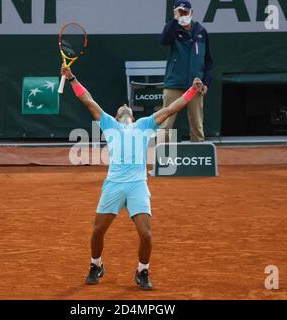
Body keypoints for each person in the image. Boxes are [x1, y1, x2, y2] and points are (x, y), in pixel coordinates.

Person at [61, 65, 203, 290]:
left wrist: (192, 92)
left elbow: (172, 108)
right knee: (98, 231)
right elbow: (88, 100)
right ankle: (96, 264)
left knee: (146, 234)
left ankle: (142, 271)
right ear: (118, 115)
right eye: (122, 107)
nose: (125, 106)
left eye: (128, 106)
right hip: (114, 185)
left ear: (132, 114)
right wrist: (71, 78)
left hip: (138, 185)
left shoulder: (145, 124)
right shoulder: (109, 123)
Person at [159, 0, 213, 142]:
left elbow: (208, 61)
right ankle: (159, 160)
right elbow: (164, 40)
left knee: (197, 125)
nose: (183, 15)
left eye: (185, 12)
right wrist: (175, 19)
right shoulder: (173, 29)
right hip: (174, 84)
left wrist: (205, 83)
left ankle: (198, 158)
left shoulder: (201, 31)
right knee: (165, 123)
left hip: (195, 86)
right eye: (180, 12)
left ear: (192, 13)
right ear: (175, 12)